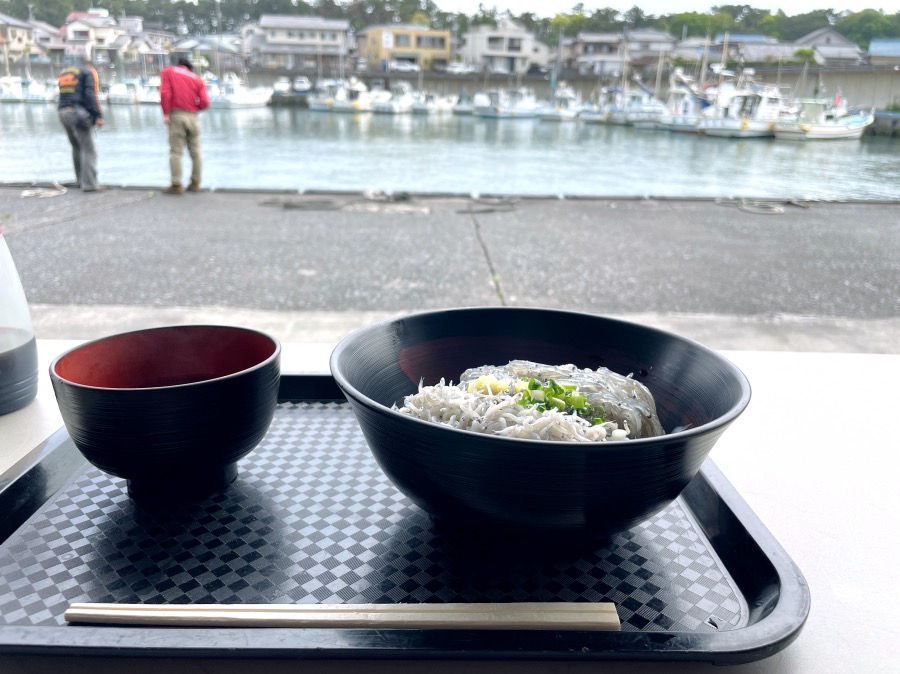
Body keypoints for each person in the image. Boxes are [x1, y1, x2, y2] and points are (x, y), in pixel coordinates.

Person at [159, 57, 209, 194]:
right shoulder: (196, 78)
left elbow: (165, 93)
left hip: (177, 115)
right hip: (193, 116)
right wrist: (195, 108)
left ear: (179, 64)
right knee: (196, 151)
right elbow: (205, 101)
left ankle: (176, 184)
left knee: (176, 151)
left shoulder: (168, 72)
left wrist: (166, 113)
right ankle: (195, 183)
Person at [57, 57, 104, 192]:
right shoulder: (87, 72)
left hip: (62, 112)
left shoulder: (66, 72)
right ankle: (90, 185)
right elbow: (90, 94)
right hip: (78, 114)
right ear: (91, 67)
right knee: (89, 149)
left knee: (76, 147)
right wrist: (97, 115)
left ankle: (80, 181)